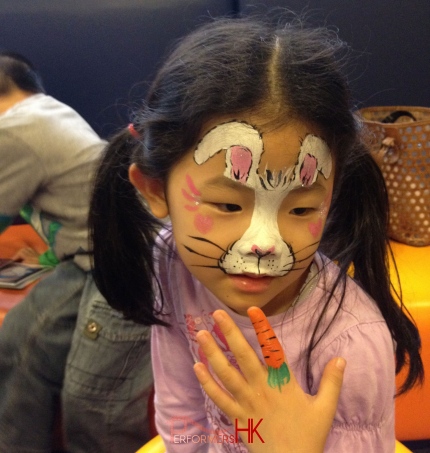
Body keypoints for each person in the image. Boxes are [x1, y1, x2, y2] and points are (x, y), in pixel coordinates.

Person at [88, 16, 424, 452]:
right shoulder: (173, 264)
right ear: (155, 191)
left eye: (301, 209)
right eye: (228, 205)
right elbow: (182, 410)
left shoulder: (350, 345)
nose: (264, 244)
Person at [0, 52, 153, 453]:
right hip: (96, 253)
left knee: (89, 402)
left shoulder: (14, 128)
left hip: (117, 262)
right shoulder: (50, 110)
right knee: (19, 338)